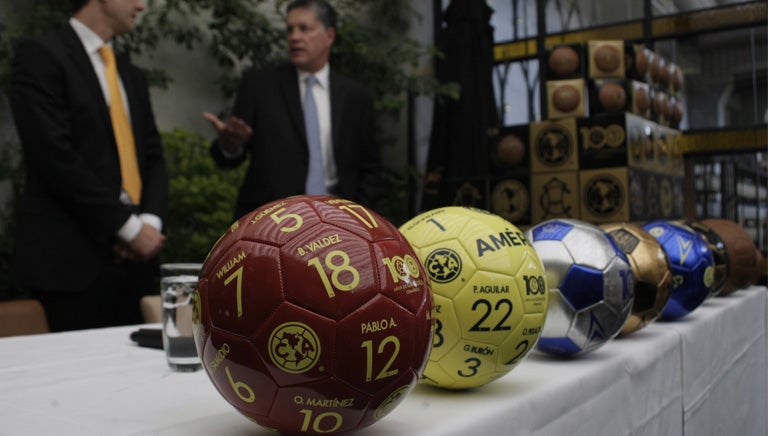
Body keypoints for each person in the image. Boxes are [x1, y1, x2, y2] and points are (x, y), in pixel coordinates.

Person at [9, 0, 168, 331]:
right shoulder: (41, 56)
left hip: (135, 265)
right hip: (70, 266)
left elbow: (152, 156)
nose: (142, 4)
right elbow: (54, 157)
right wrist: (129, 229)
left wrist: (148, 225)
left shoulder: (130, 73)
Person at [204, 0, 380, 219]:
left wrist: (355, 218)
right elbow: (229, 158)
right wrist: (229, 147)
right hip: (272, 222)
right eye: (290, 30)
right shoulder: (259, 85)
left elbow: (370, 169)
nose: (295, 37)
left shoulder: (356, 97)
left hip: (338, 223)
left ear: (329, 36)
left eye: (304, 28)